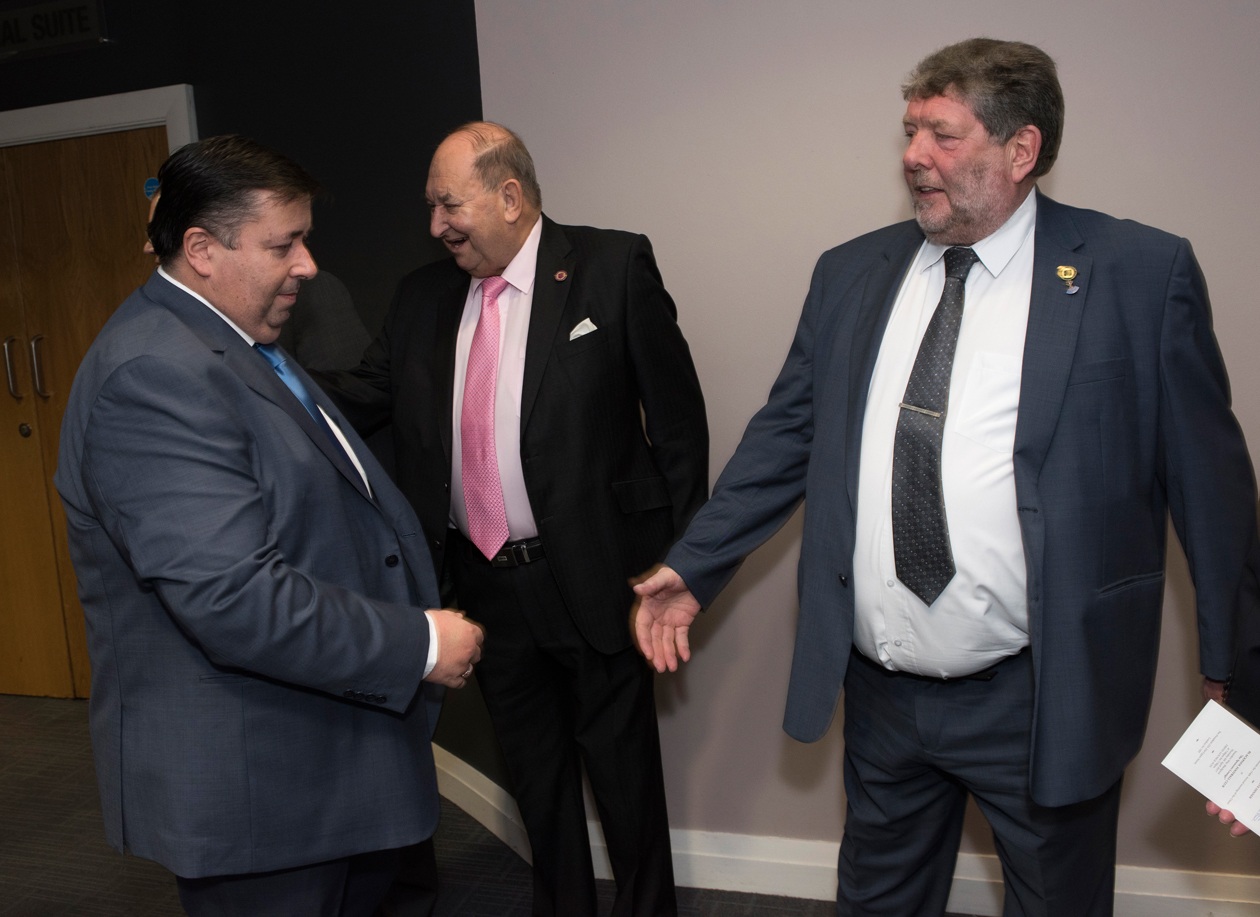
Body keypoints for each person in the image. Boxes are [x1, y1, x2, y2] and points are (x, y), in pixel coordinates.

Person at [633, 38, 1260, 916]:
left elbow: (1213, 493)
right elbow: (785, 436)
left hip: (1043, 696)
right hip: (882, 696)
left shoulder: (1138, 275)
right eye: (910, 131)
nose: (913, 156)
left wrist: (1241, 677)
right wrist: (695, 564)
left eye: (943, 134)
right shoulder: (850, 273)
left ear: (1021, 148)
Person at [56, 134, 484, 917]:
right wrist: (420, 643)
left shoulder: (234, 342)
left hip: (327, 767)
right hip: (263, 795)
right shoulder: (153, 375)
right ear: (200, 250)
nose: (308, 265)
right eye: (284, 244)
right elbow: (234, 599)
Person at [317, 121, 708, 916]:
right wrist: (254, 366)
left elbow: (678, 428)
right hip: (485, 587)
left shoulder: (611, 266)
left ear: (508, 195)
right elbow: (359, 397)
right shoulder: (423, 297)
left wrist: (683, 565)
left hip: (599, 578)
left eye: (448, 204)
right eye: (431, 208)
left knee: (627, 786)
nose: (436, 225)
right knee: (538, 786)